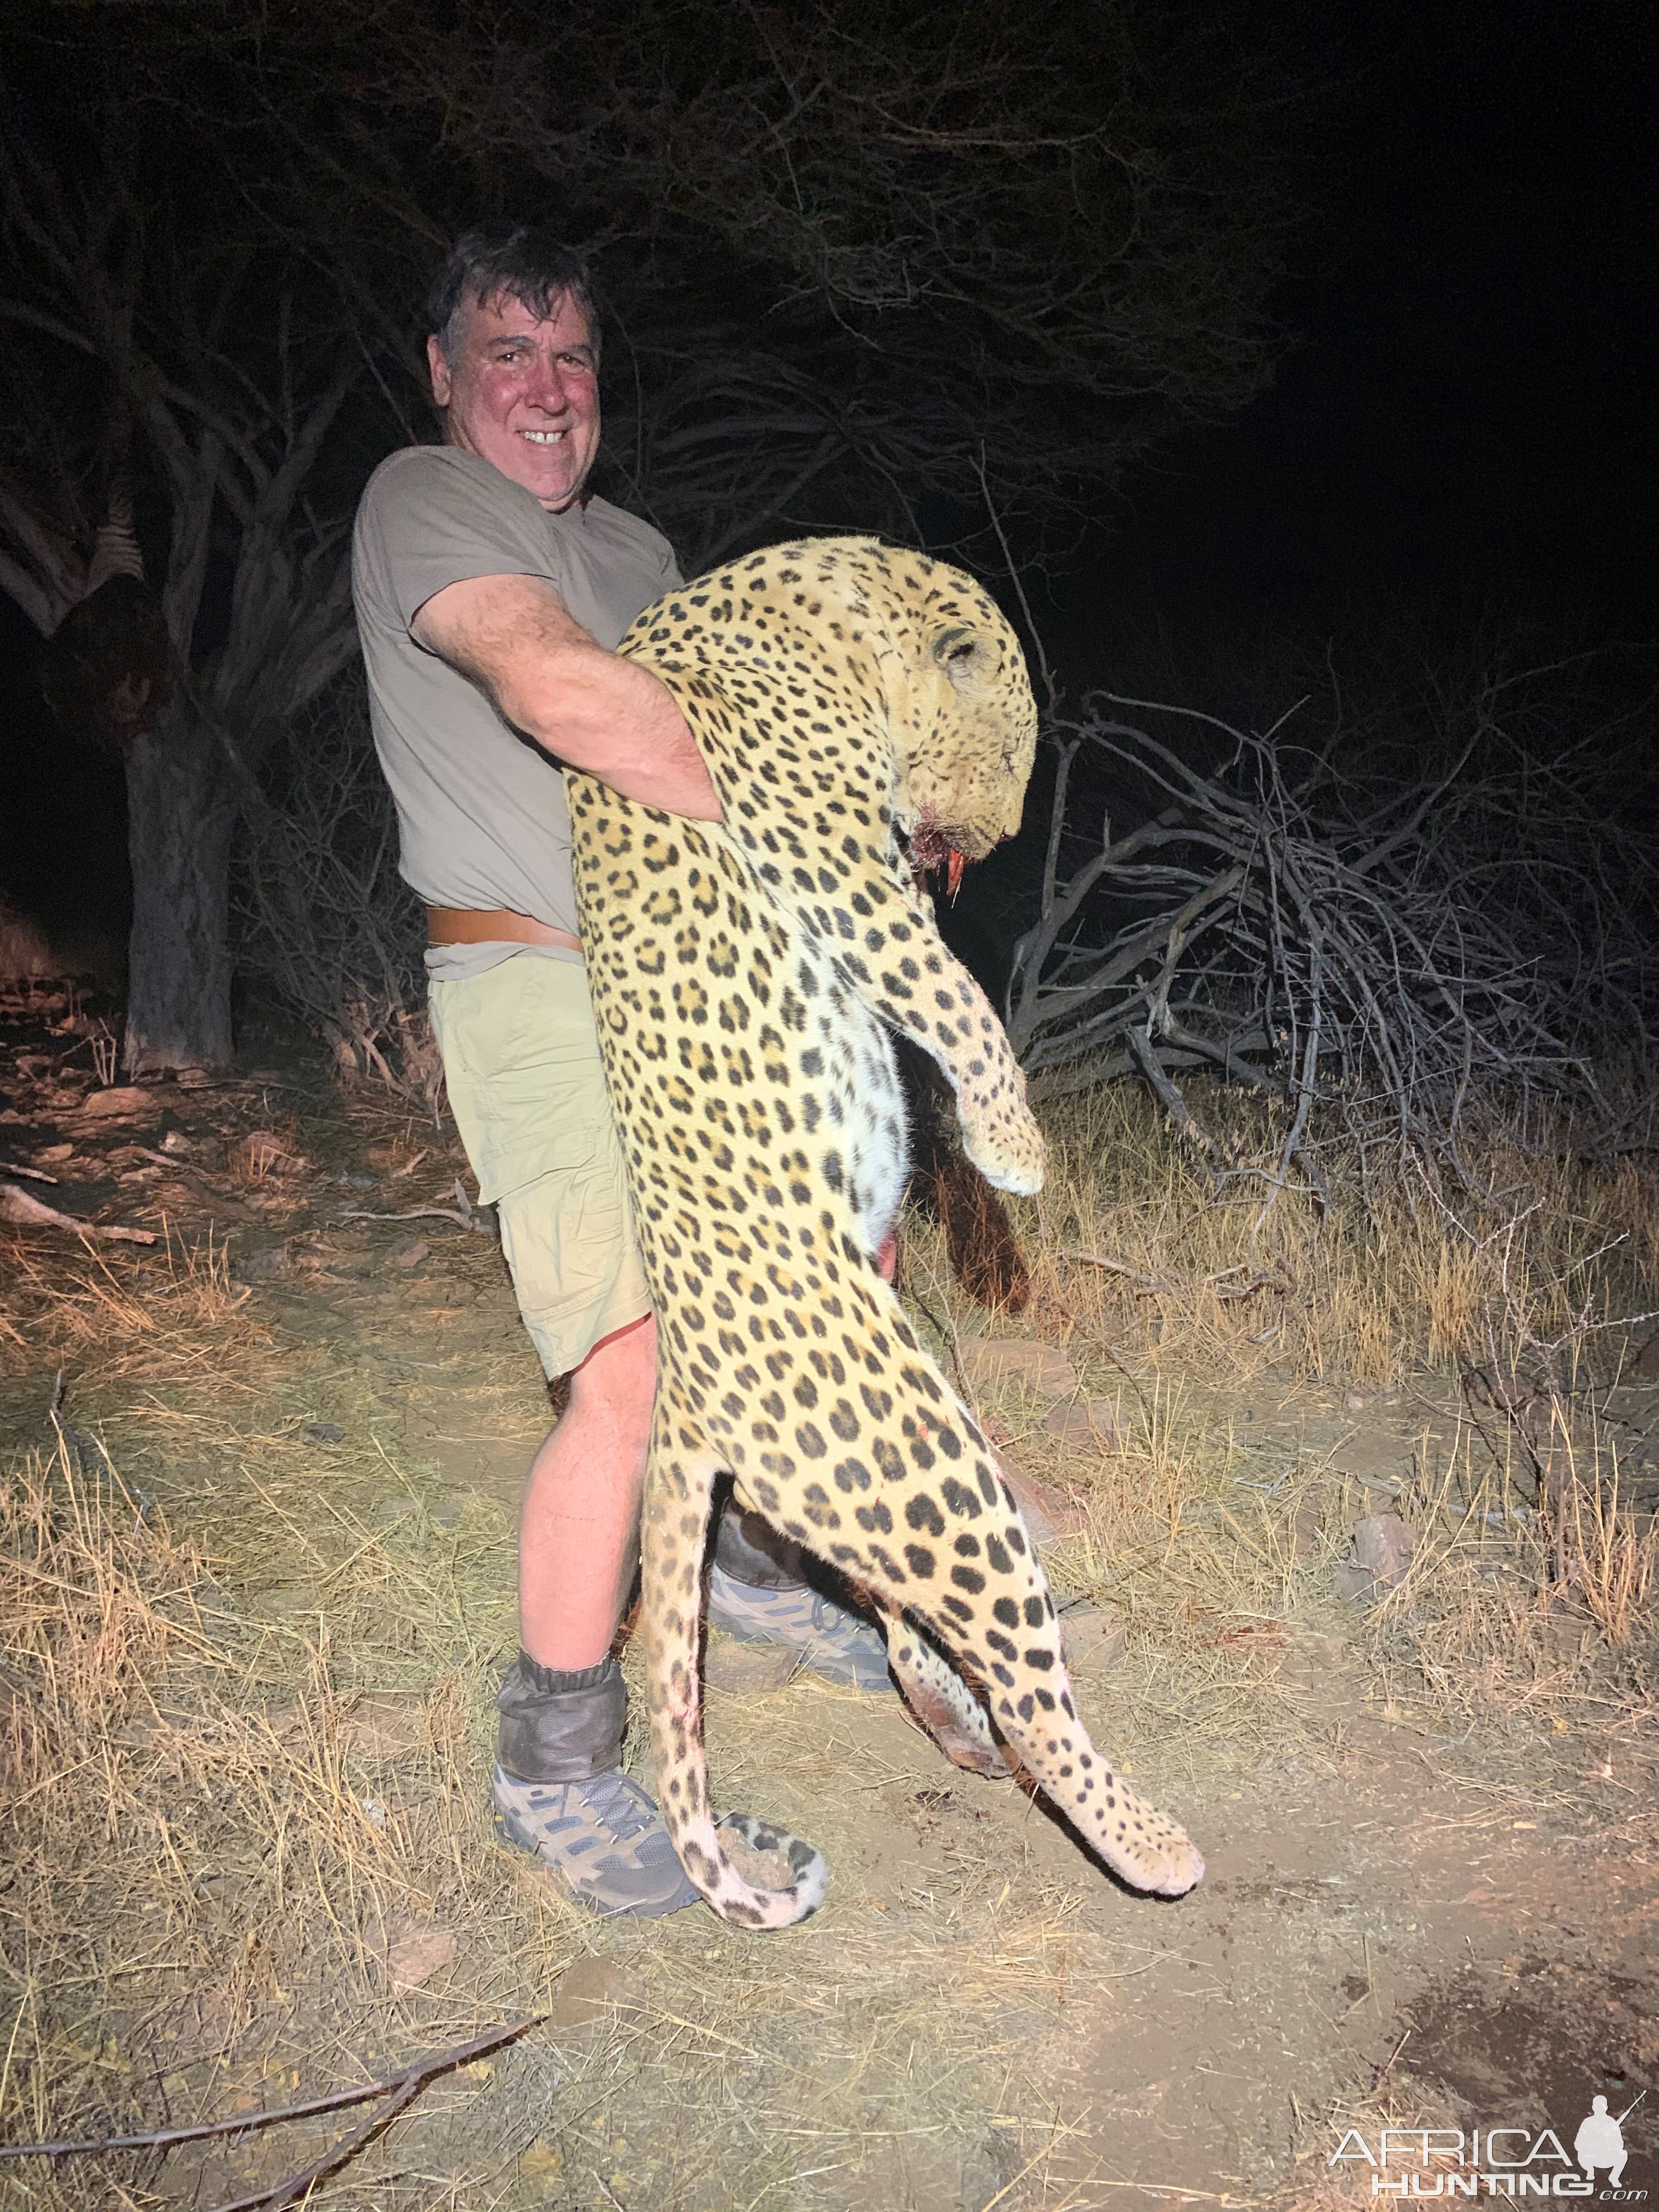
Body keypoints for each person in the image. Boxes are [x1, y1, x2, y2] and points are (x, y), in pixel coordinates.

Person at [350, 224, 894, 1920]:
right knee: (633, 1365)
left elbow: (745, 722)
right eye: (506, 352)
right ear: (444, 372)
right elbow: (571, 695)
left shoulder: (649, 546)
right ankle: (557, 1766)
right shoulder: (420, 504)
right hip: (532, 977)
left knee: (795, 1289)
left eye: (574, 357)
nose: (544, 387)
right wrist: (820, 823)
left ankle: (752, 1570)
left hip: (698, 981)